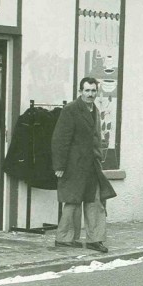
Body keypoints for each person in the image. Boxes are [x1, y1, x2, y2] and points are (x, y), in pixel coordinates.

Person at [51, 77, 116, 252]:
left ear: (97, 92)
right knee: (72, 201)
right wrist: (59, 166)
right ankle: (64, 238)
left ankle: (95, 239)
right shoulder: (71, 110)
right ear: (80, 91)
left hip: (91, 165)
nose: (90, 94)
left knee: (95, 201)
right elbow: (60, 139)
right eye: (87, 91)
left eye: (93, 91)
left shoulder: (94, 109)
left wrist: (99, 157)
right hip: (74, 165)